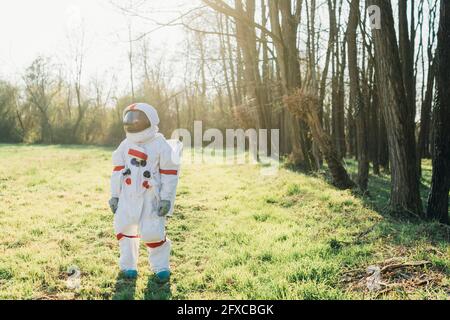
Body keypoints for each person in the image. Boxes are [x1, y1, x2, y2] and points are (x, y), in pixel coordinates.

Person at [108, 103, 181, 282]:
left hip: (151, 196)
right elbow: (117, 171)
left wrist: (166, 199)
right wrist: (115, 195)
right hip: (127, 195)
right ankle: (128, 266)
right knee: (125, 229)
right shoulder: (126, 144)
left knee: (153, 232)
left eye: (137, 120)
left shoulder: (159, 144)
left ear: (150, 120)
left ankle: (161, 267)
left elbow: (170, 174)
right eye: (130, 119)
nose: (133, 124)